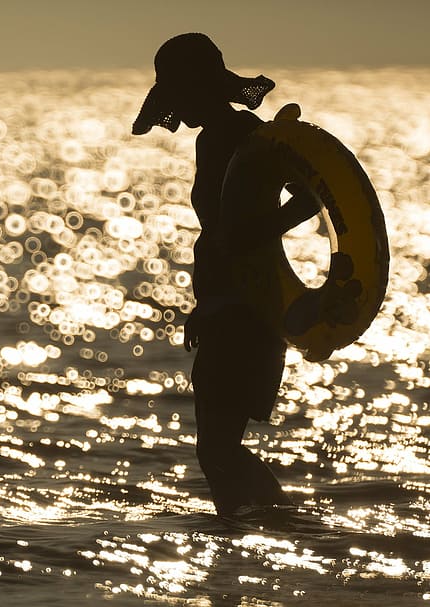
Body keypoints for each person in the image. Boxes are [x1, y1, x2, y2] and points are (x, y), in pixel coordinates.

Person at [132, 33, 320, 516]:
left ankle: (285, 526)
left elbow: (271, 214)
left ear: (200, 89)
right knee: (216, 449)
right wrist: (206, 306)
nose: (177, 105)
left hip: (246, 307)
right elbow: (228, 231)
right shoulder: (218, 136)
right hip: (230, 305)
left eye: (178, 93)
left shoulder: (237, 137)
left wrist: (253, 241)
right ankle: (243, 547)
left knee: (216, 449)